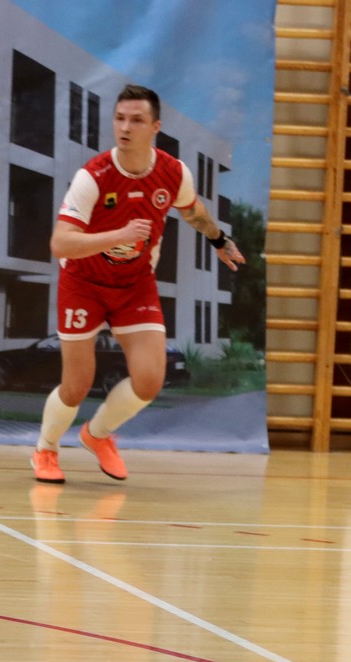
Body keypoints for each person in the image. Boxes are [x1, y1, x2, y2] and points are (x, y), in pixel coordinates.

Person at [32, 84, 243, 483]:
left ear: (155, 127)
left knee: (149, 380)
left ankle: (98, 435)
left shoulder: (173, 172)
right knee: (76, 386)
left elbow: (193, 210)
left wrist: (218, 239)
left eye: (136, 120)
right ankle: (45, 449)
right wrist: (118, 235)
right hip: (84, 282)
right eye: (120, 118)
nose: (125, 127)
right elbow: (60, 242)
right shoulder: (92, 176)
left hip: (135, 284)